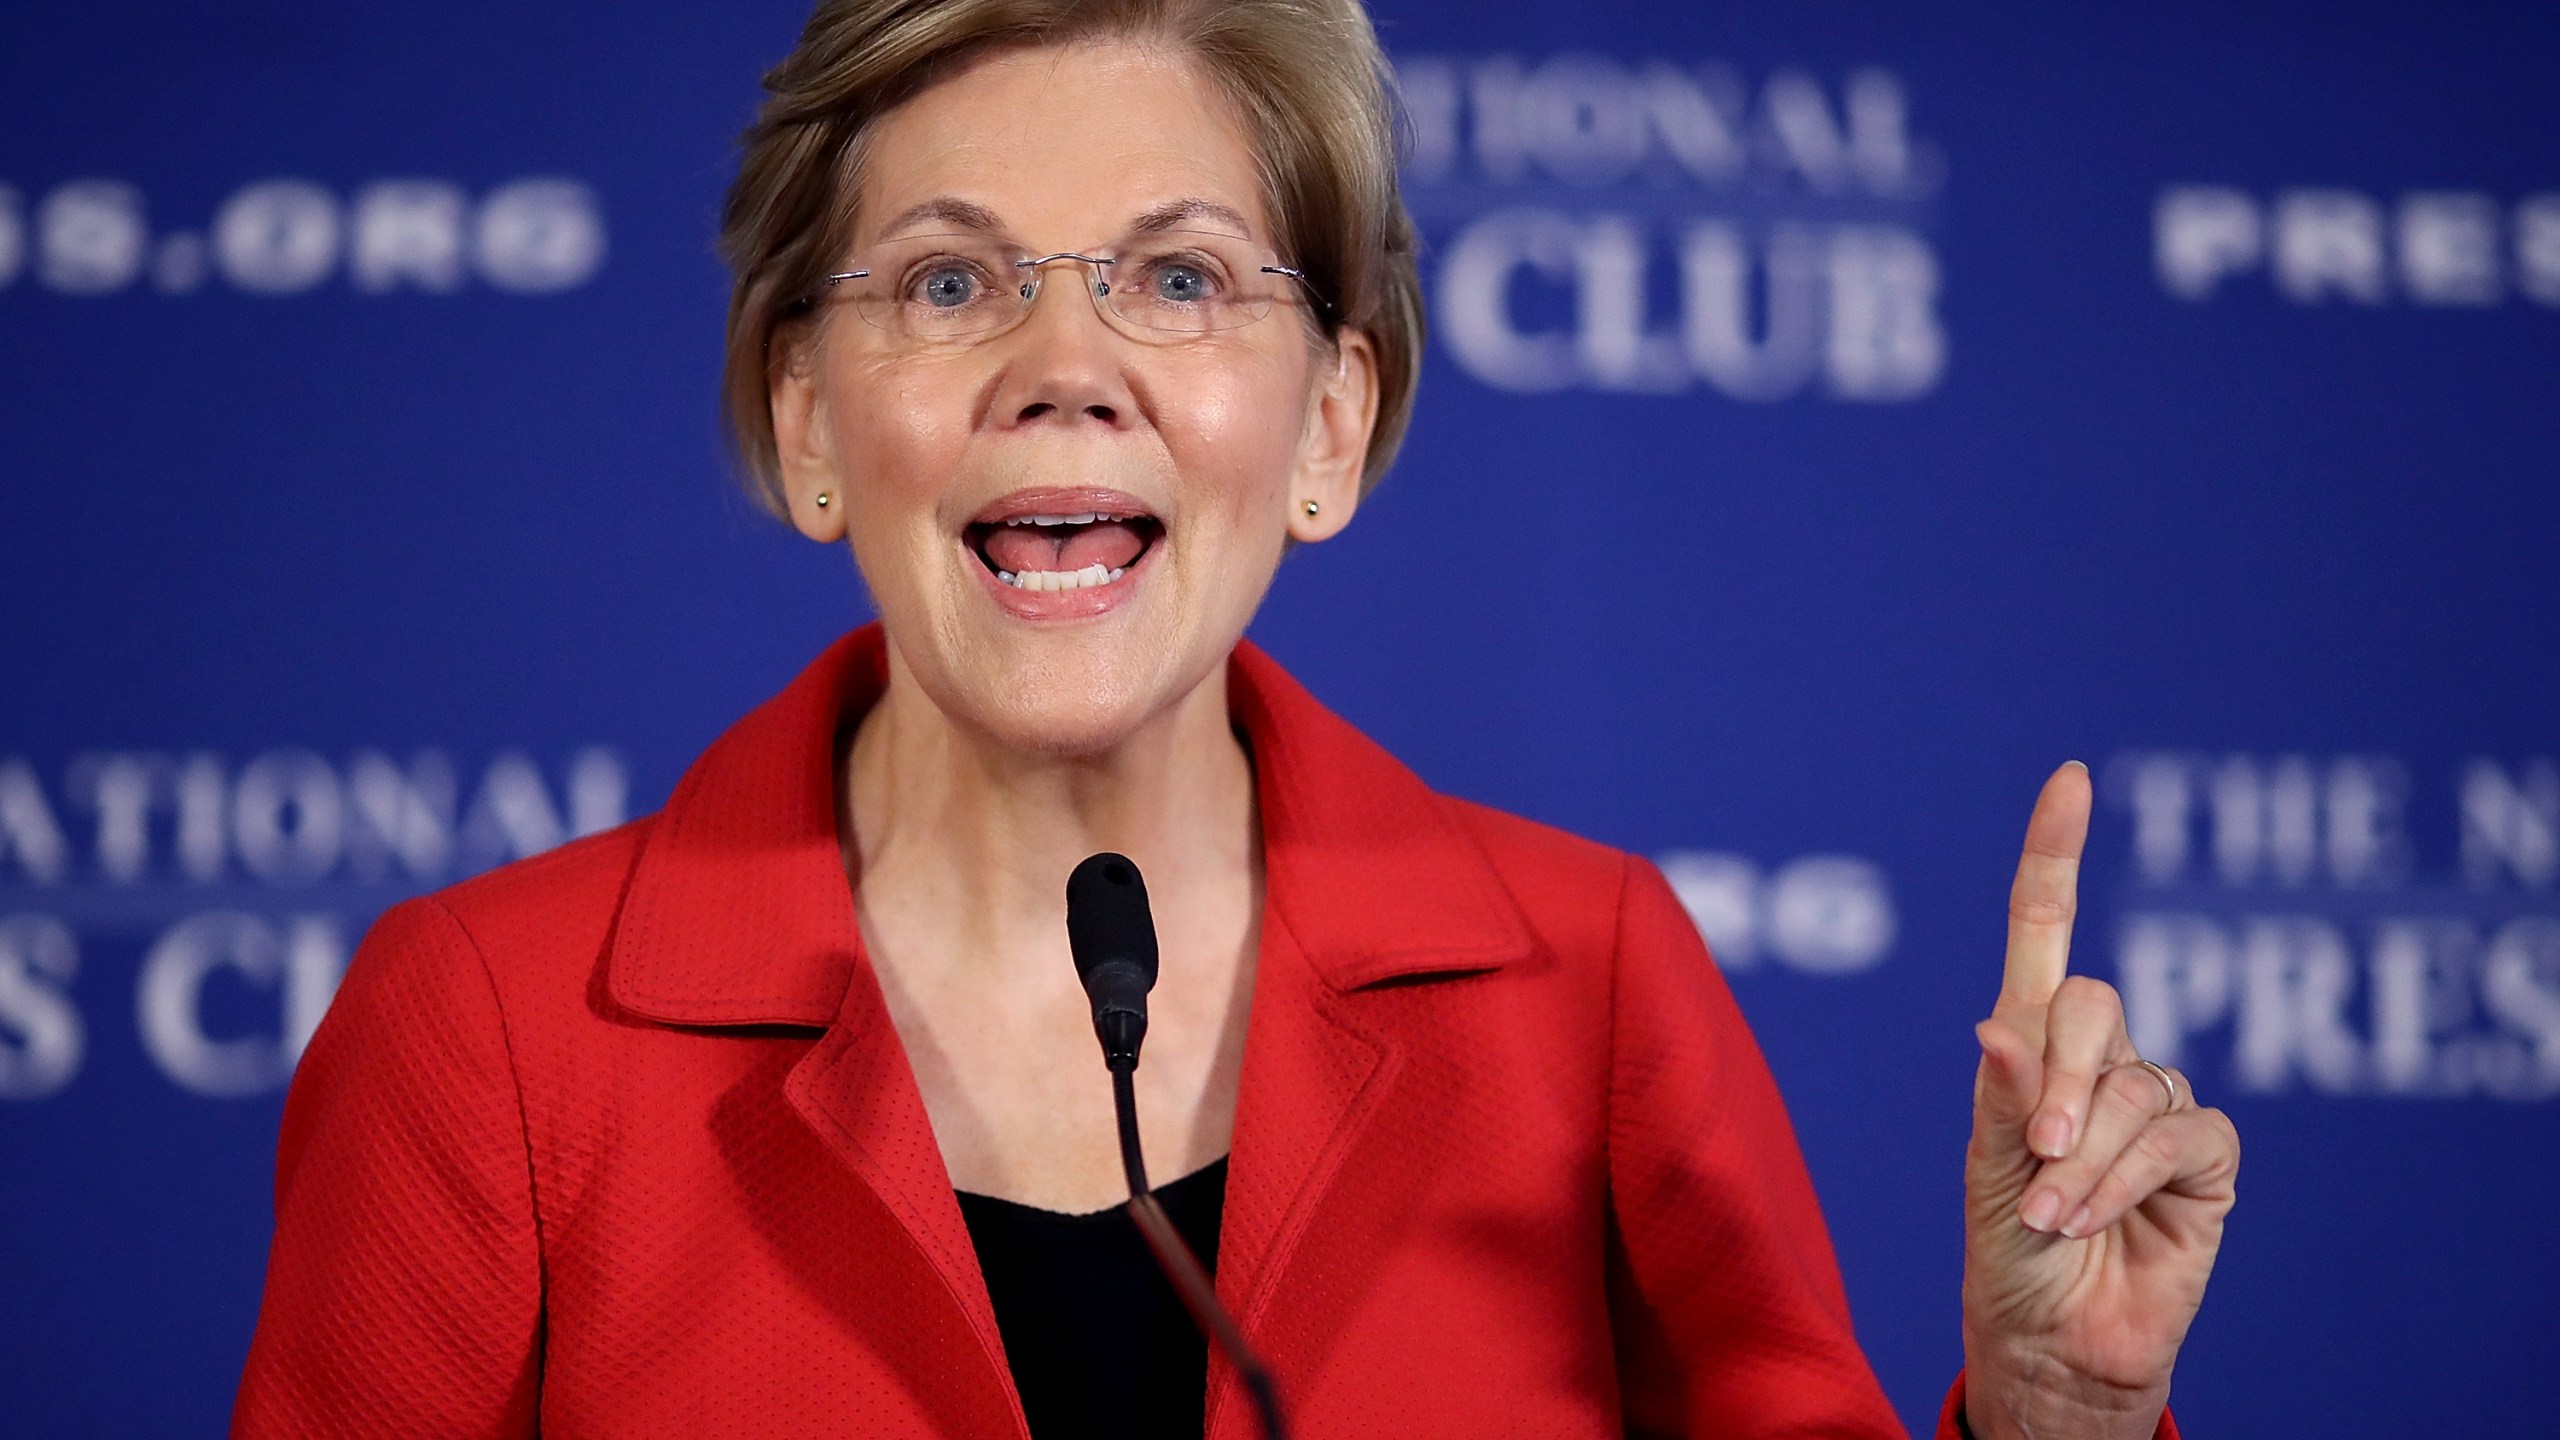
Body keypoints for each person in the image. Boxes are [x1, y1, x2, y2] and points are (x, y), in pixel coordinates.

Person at [232, 1, 2240, 1436]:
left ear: (1331, 426)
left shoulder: (1589, 988)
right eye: (947, 289)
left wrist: (2051, 1422)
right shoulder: (486, 1037)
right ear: (803, 424)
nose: (1064, 366)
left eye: (1177, 280)